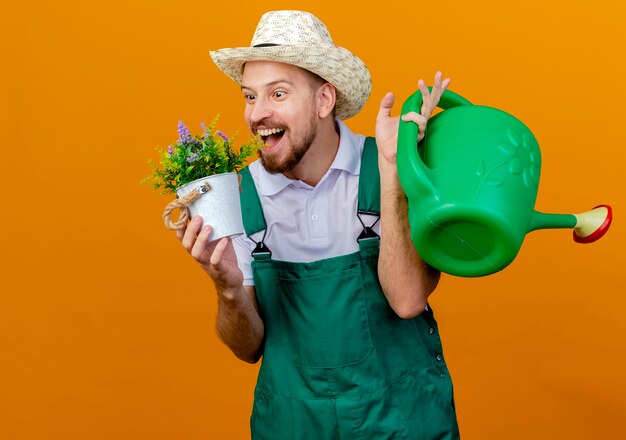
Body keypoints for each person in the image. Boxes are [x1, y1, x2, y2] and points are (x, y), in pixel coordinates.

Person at [177, 10, 459, 439]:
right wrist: (229, 288)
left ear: (324, 100)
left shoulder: (386, 165)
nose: (257, 114)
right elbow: (246, 347)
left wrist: (392, 174)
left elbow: (407, 301)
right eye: (250, 96)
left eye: (278, 94)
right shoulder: (239, 198)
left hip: (401, 420)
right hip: (293, 425)